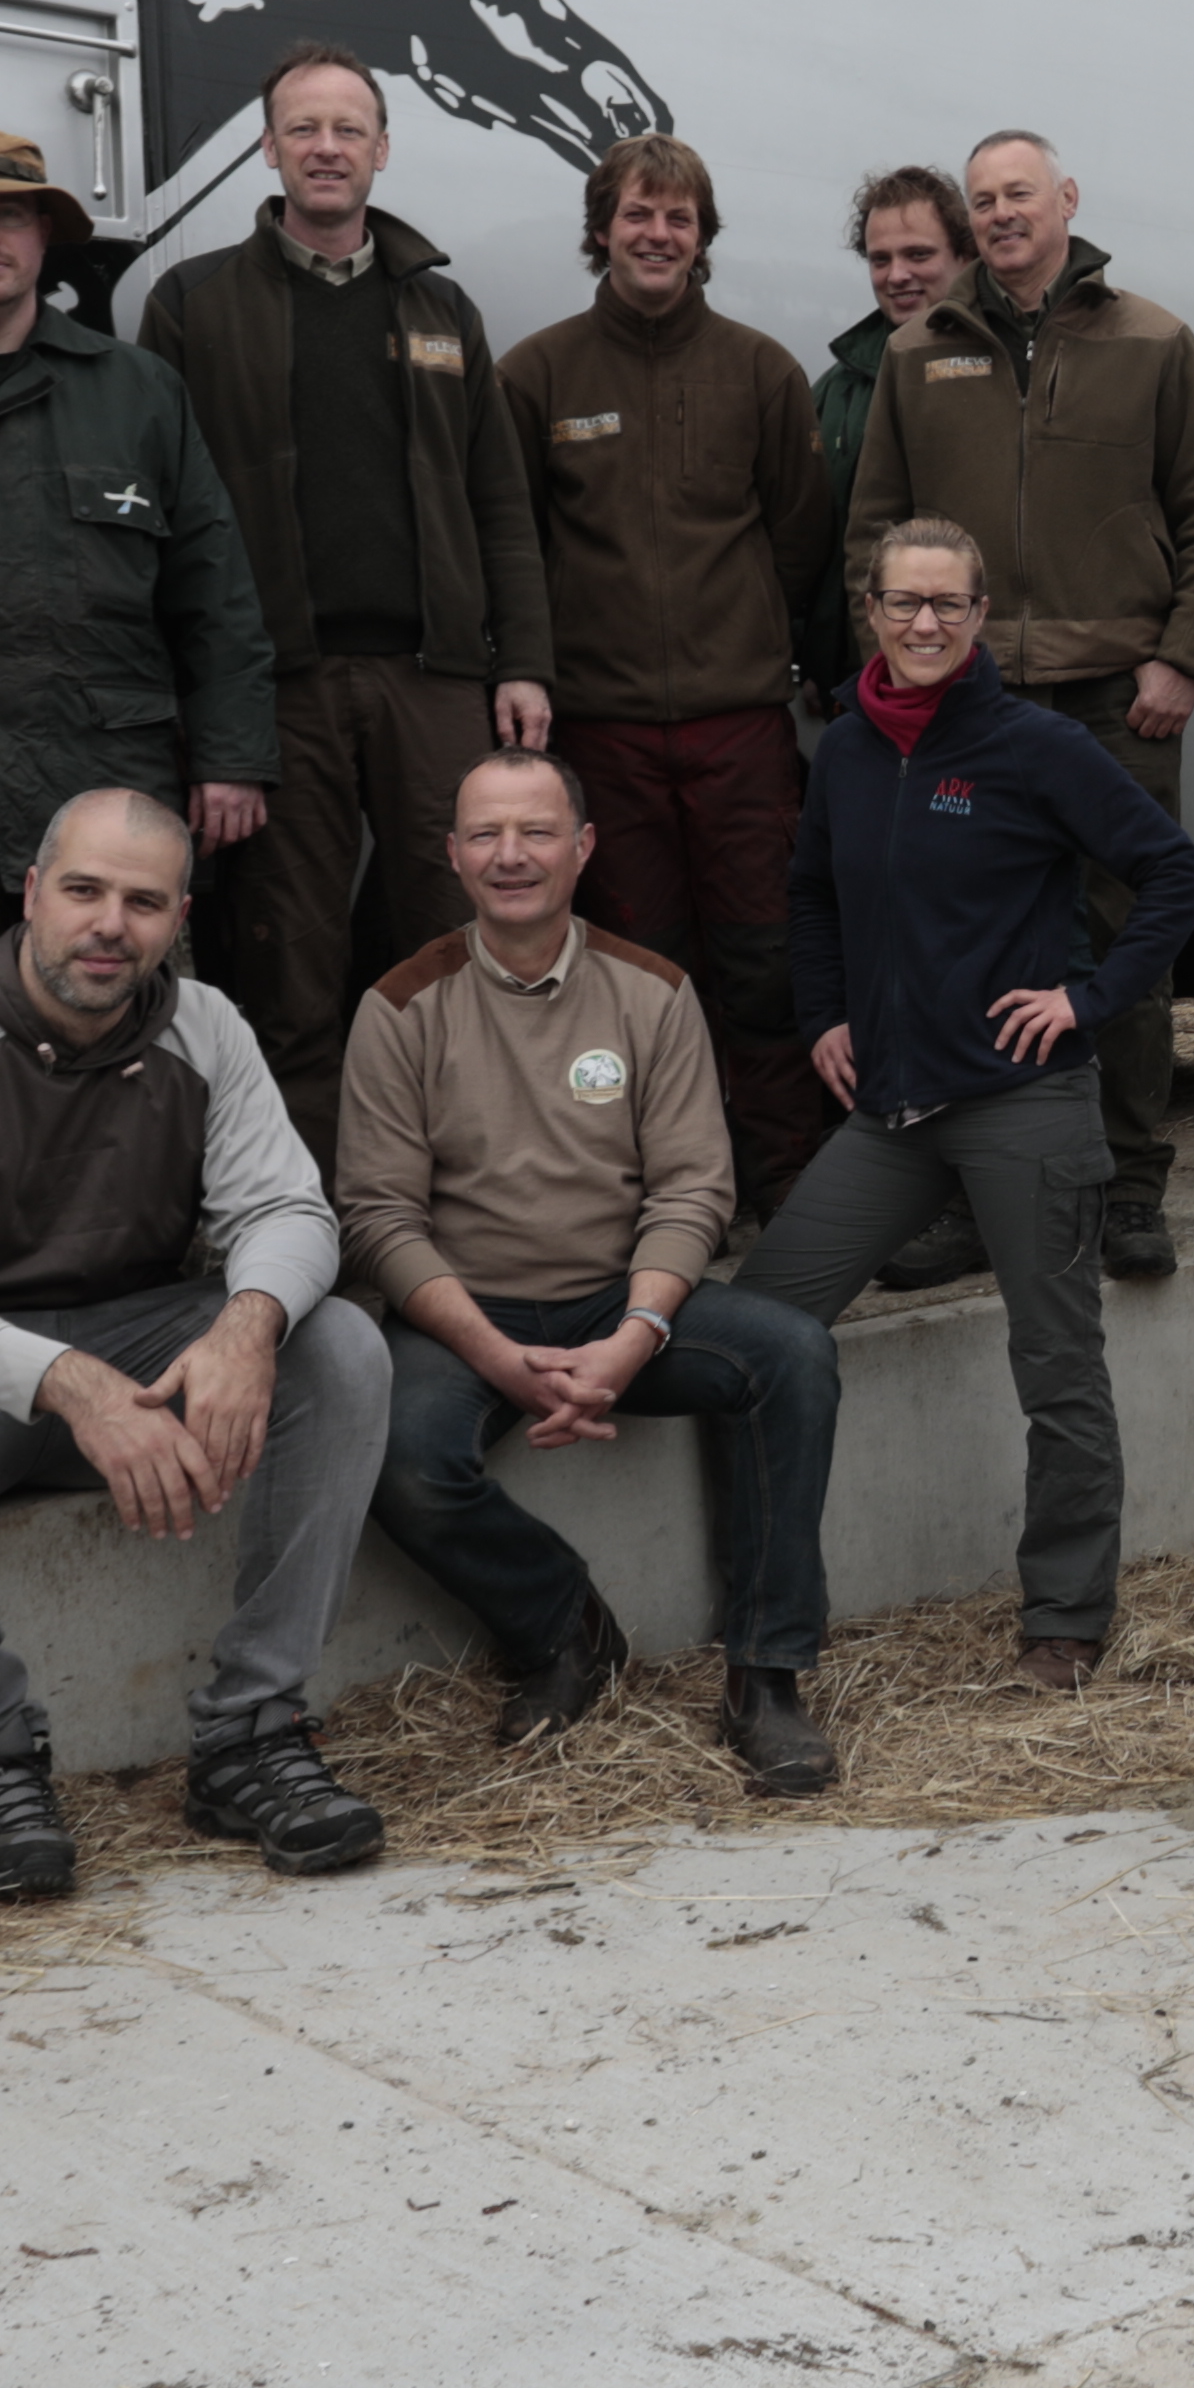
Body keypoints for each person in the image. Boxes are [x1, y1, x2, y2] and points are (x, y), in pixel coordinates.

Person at [0, 786, 391, 1898]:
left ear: (179, 917)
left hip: (137, 1348)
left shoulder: (208, 1026)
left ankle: (254, 1733)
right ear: (33, 895)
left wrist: (248, 1327)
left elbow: (292, 1214)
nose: (112, 923)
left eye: (144, 901)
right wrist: (64, 1382)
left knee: (336, 1344)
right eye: (85, 891)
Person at [742, 519, 1194, 1689]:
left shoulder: (1033, 745)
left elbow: (1173, 873)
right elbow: (810, 896)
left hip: (1022, 1102)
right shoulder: (845, 747)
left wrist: (1087, 998)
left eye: (949, 604)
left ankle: (1064, 1619)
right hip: (892, 1109)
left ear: (982, 614)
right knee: (757, 1326)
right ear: (872, 613)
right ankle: (762, 1607)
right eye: (905, 603)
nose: (926, 624)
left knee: (1058, 1368)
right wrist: (824, 1015)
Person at [337, 753, 848, 1793]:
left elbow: (694, 1190)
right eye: (485, 833)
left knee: (791, 1356)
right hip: (461, 1319)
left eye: (535, 831)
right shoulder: (398, 1007)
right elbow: (376, 1217)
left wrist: (634, 1339)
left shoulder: (650, 993)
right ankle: (563, 1624)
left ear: (582, 848)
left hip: (620, 1299)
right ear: (451, 854)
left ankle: (766, 1674)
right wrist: (495, 1355)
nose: (510, 855)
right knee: (394, 1449)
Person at [840, 131, 1194, 1279]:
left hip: (1121, 698)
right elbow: (874, 531)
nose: (1004, 213)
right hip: (966, 703)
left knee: (1125, 940)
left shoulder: (1154, 342)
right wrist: (906, 676)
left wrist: (1183, 659)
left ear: (1067, 197)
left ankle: (1128, 1192)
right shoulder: (920, 355)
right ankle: (981, 1198)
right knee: (972, 948)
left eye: (1021, 193)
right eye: (985, 200)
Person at [134, 53, 551, 1152]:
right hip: (281, 688)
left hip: (435, 683)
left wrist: (523, 663)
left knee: (459, 941)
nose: (327, 146)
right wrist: (203, 705)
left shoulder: (440, 306)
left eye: (348, 127)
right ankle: (305, 1215)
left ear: (382, 148)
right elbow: (168, 528)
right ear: (269, 148)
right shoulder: (193, 305)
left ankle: (469, 1188)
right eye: (303, 127)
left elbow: (499, 502)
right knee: (288, 959)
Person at [0, 124, 278, 971]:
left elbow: (212, 587)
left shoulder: (139, 391)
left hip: (109, 801)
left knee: (131, 1074)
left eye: (11, 216)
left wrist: (233, 755)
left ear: (46, 235)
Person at [503, 135, 836, 1205]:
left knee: (764, 960)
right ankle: (666, 1190)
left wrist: (741, 644)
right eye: (637, 215)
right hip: (599, 735)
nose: (658, 235)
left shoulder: (760, 370)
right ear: (601, 228)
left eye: (679, 218)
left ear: (704, 238)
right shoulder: (537, 372)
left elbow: (798, 537)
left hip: (739, 729)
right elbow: (511, 540)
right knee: (639, 974)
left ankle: (787, 1180)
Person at [802, 162, 971, 514]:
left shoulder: (1008, 373)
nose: (896, 275)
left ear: (966, 257)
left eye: (918, 254)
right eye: (880, 260)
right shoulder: (835, 392)